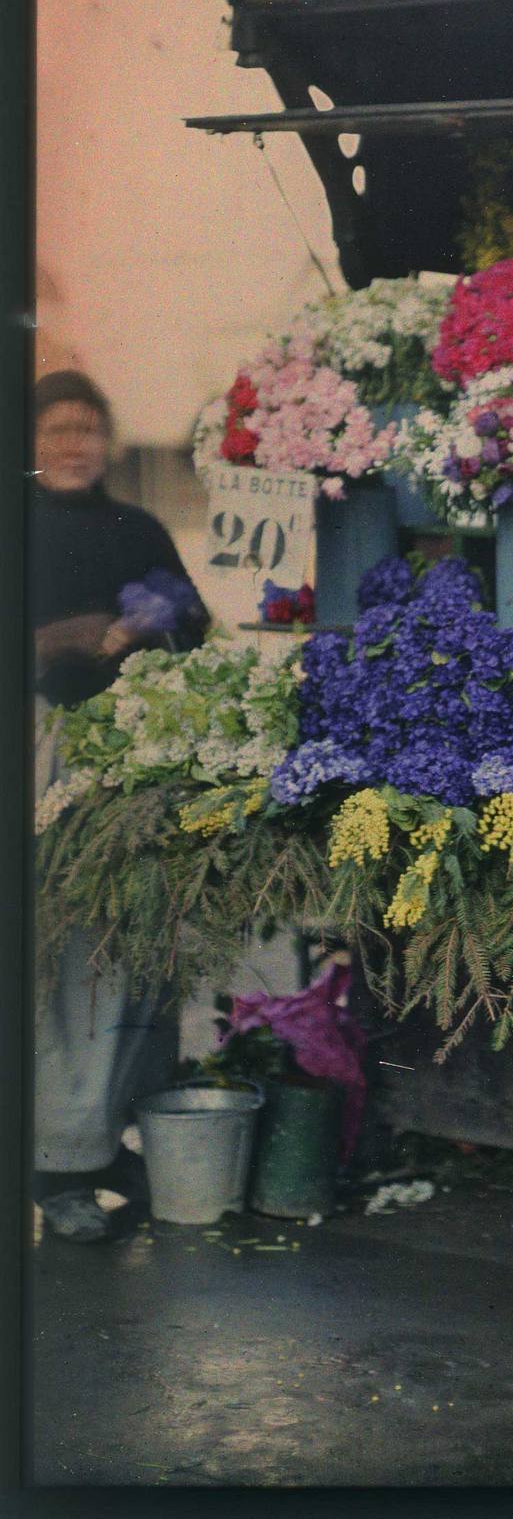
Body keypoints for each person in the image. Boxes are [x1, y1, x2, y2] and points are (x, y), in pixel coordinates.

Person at [32, 370, 209, 1241]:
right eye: (56, 430)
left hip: (131, 757)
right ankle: (56, 1162)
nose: (73, 446)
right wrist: (66, 636)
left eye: (87, 431)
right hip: (37, 757)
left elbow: (194, 617)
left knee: (134, 944)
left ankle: (116, 1136)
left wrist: (152, 621)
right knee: (62, 954)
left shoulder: (135, 526)